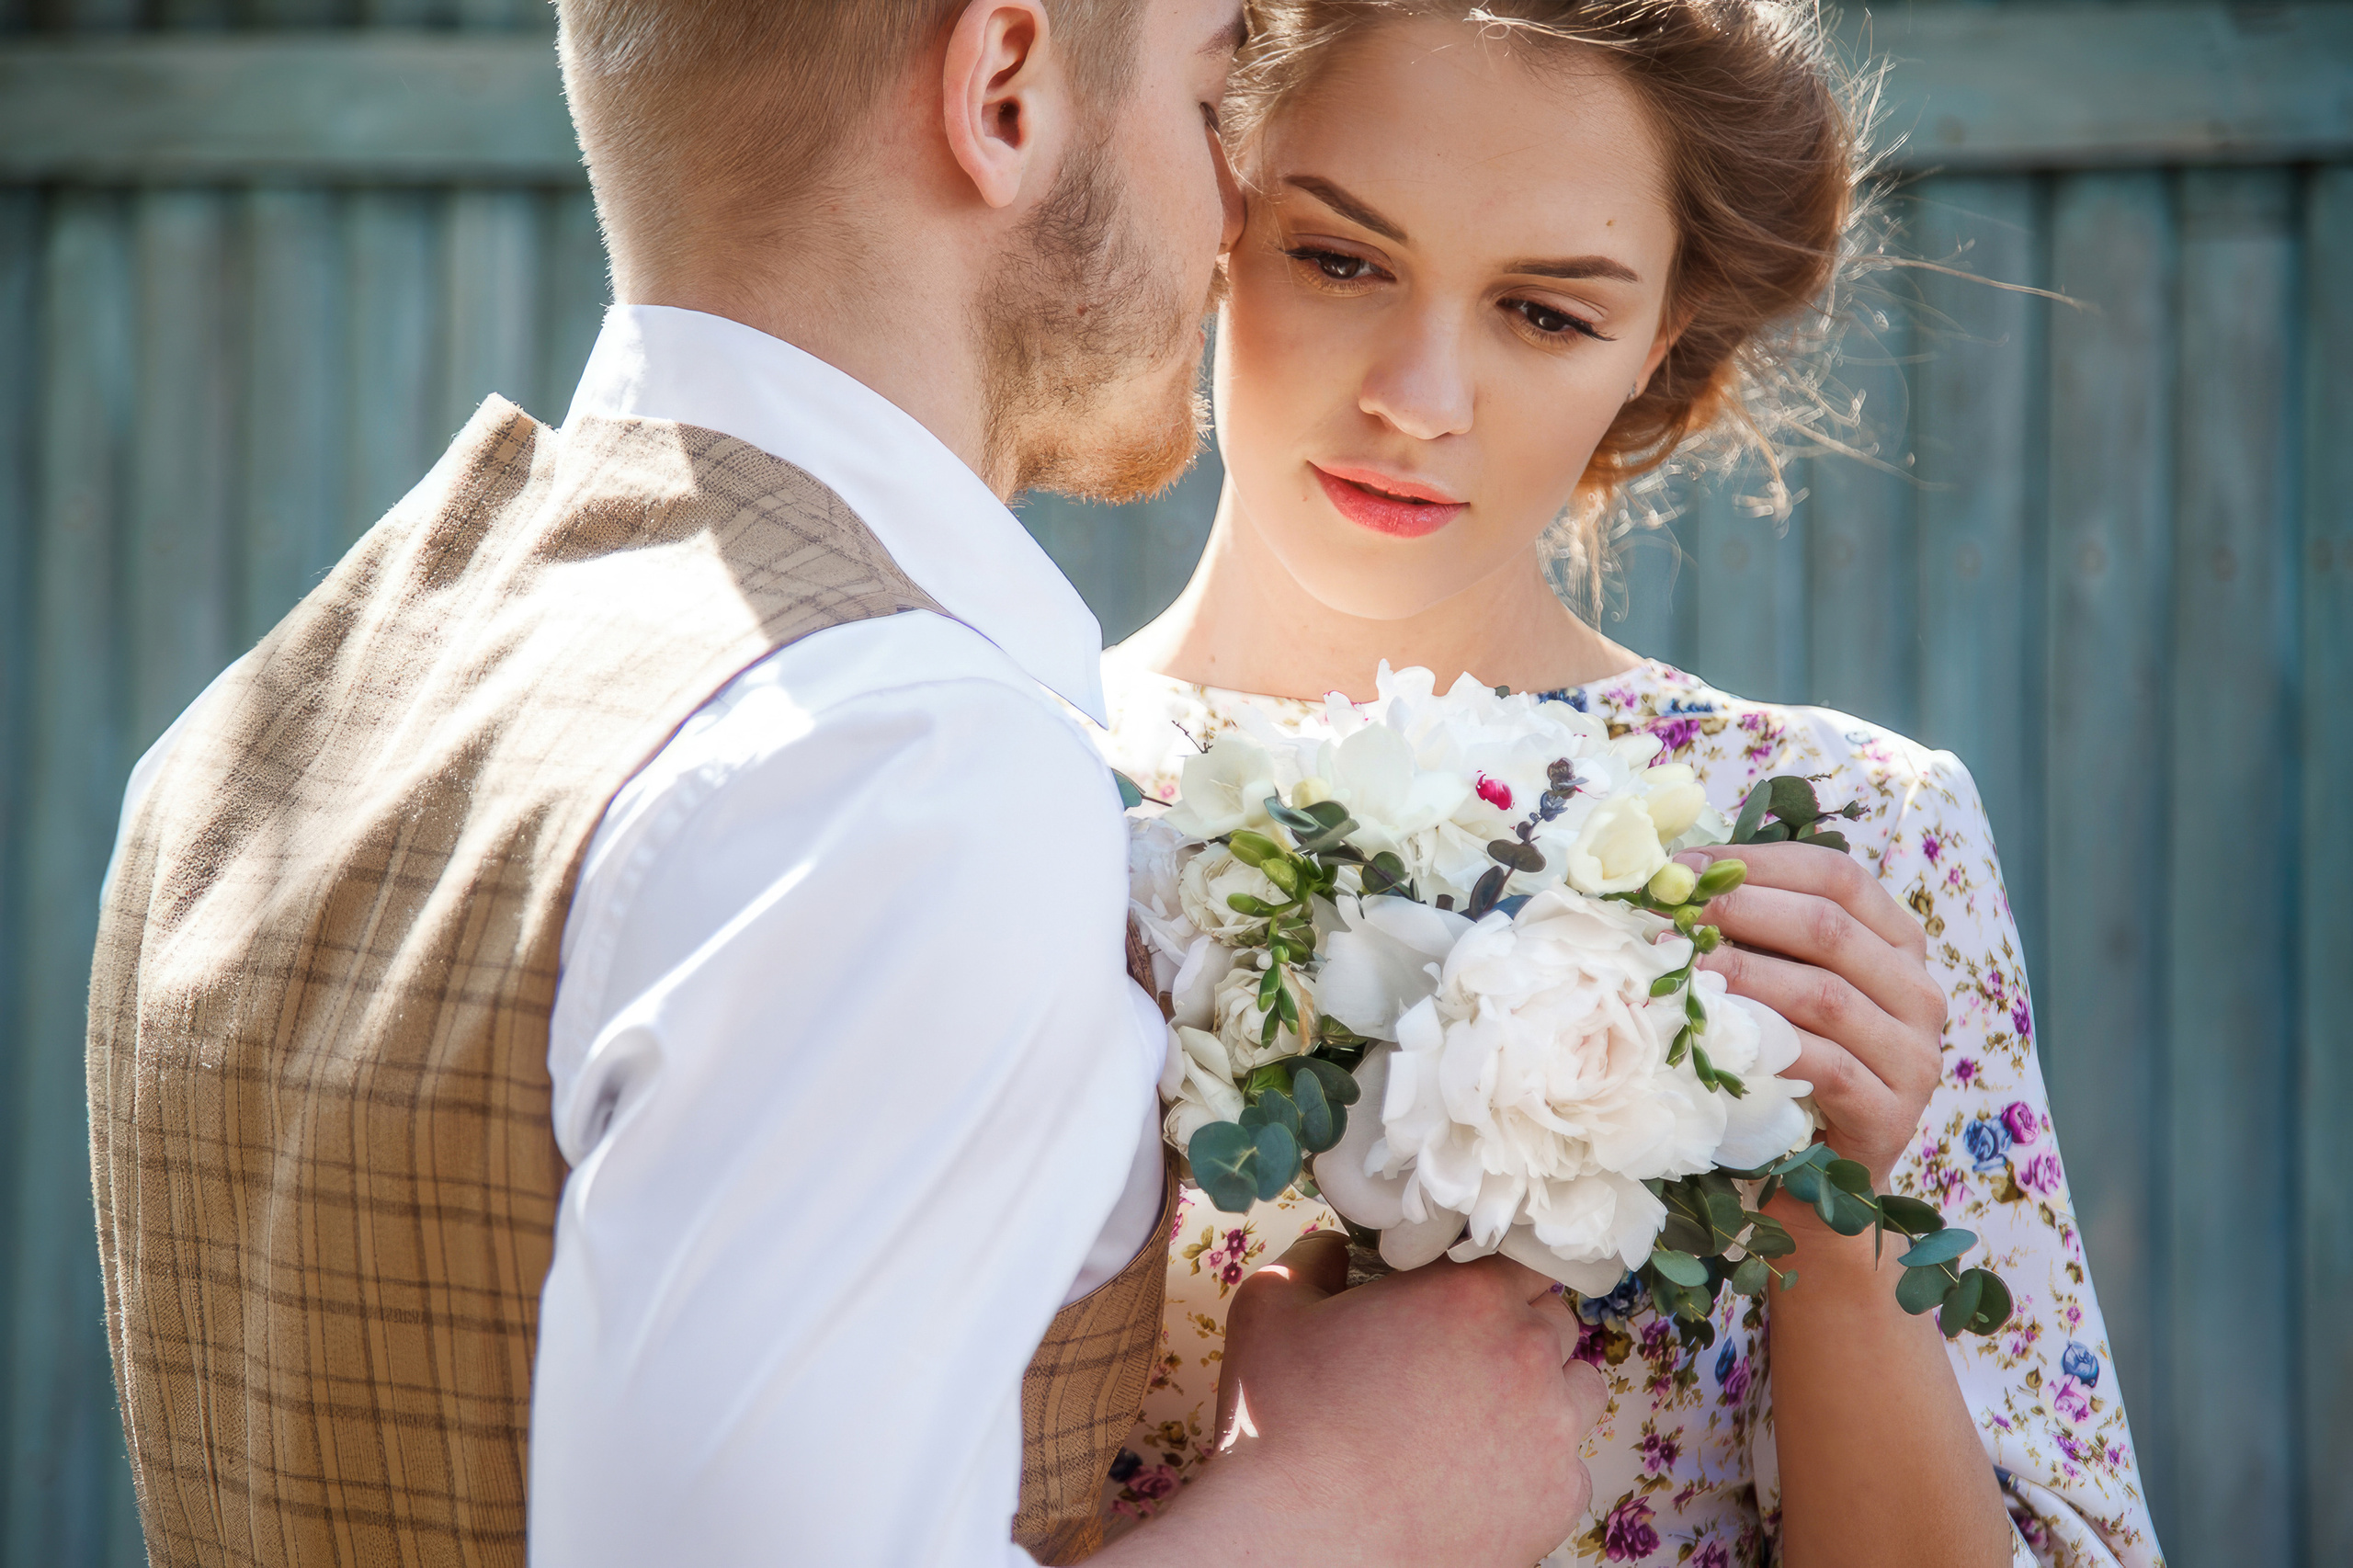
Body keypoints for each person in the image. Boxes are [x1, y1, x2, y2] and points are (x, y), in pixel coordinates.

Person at [85, 4, 1607, 1566]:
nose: (1234, 206)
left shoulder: (265, 726)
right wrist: (1347, 1506)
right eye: (1215, 94)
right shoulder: (895, 770)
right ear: (1004, 91)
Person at [1092, 4, 2165, 1566]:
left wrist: (1836, 1239)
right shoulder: (1013, 782)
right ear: (1215, 215)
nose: (1421, 394)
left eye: (1543, 312)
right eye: (1340, 258)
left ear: (1657, 343)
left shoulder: (1844, 831)